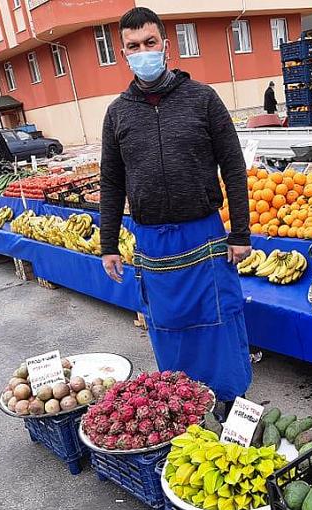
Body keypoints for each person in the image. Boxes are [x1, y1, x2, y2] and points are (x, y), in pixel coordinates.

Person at [100, 7, 252, 416]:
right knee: (169, 330)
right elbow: (111, 182)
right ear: (123, 53)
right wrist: (108, 244)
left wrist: (240, 232)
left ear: (166, 46)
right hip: (153, 243)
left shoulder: (203, 99)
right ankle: (183, 406)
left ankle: (231, 405)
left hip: (204, 235)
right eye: (134, 46)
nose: (143, 52)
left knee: (219, 323)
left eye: (150, 43)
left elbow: (233, 167)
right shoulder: (117, 113)